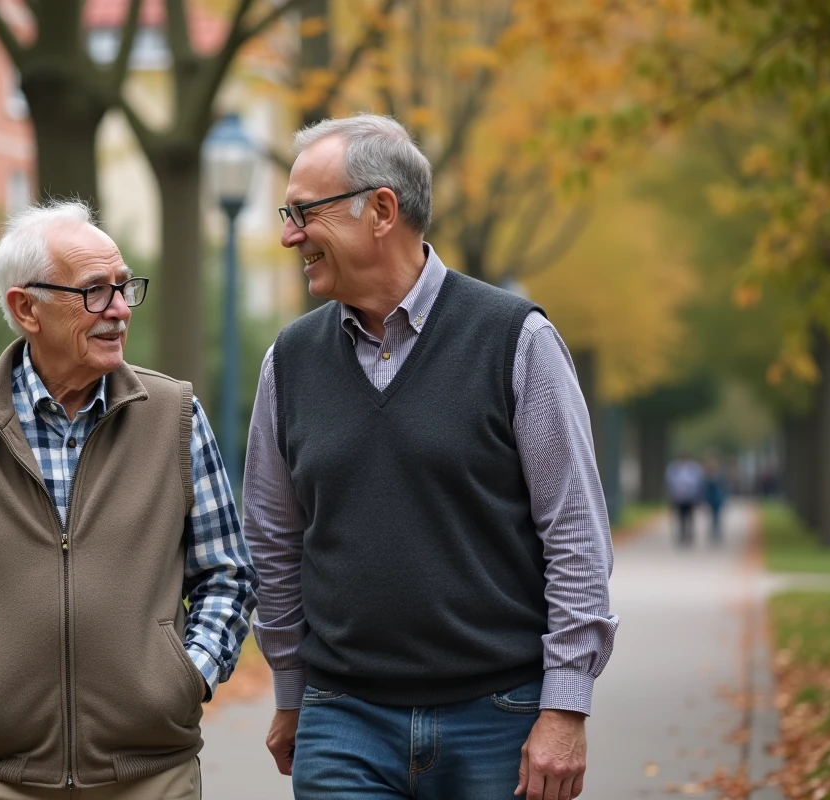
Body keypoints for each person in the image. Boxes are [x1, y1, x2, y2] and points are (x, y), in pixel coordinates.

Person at [243, 114, 617, 800]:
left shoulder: (517, 341)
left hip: (500, 718)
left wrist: (564, 709)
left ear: (381, 210)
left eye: (303, 213)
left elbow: (574, 534)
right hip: (343, 720)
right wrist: (293, 691)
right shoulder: (289, 362)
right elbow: (273, 541)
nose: (288, 234)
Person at [0, 201, 256, 800]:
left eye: (125, 287)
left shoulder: (174, 416)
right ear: (26, 308)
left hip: (150, 773)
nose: (120, 310)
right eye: (95, 292)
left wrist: (188, 677)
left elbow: (227, 574)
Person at [665, 453, 704, 546]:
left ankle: (689, 534)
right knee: (681, 517)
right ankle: (682, 535)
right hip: (679, 497)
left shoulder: (694, 469)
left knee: (690, 517)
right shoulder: (674, 469)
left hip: (690, 497)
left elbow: (698, 482)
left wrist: (698, 496)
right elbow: (669, 482)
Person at [702, 455, 728, 543]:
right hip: (710, 499)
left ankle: (717, 533)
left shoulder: (720, 475)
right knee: (712, 516)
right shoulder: (707, 475)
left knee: (717, 517)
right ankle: (713, 533)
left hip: (718, 499)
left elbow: (724, 487)